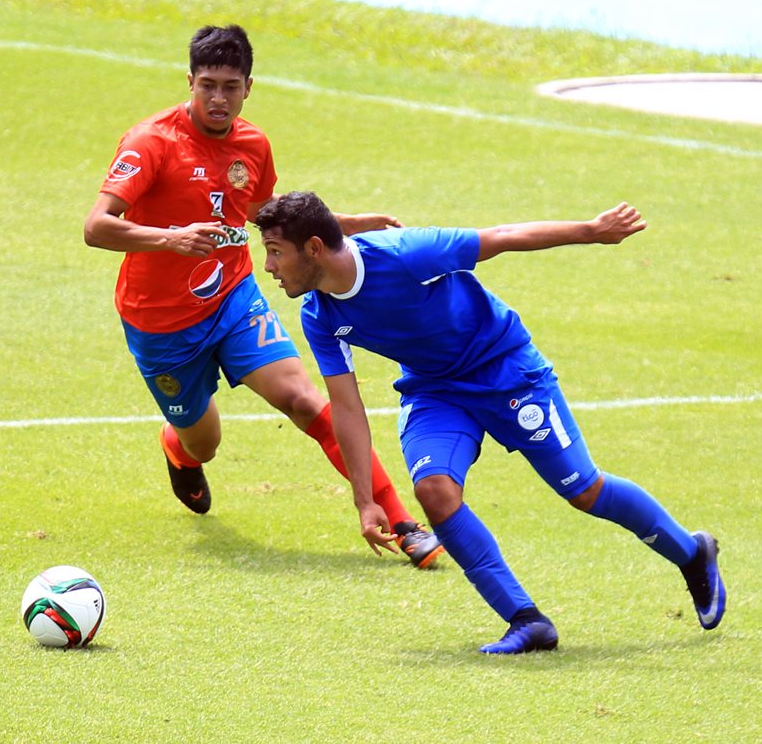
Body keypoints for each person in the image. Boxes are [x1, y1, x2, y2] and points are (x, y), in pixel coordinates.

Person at [256, 191, 727, 653]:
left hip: (506, 372)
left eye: (276, 253)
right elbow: (346, 405)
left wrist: (592, 231)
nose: (270, 267)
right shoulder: (319, 315)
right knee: (435, 491)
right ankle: (528, 621)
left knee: (583, 490)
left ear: (314, 248)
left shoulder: (405, 255)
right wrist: (365, 499)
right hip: (436, 390)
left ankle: (691, 552)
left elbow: (501, 236)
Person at [82, 25, 442, 568]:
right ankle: (179, 448)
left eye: (230, 86)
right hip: (161, 324)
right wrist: (169, 239)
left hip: (233, 298)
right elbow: (96, 226)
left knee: (302, 399)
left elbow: (265, 214)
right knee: (203, 442)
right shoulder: (150, 142)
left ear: (249, 86)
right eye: (207, 85)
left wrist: (347, 224)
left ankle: (399, 519)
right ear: (190, 81)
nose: (219, 99)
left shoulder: (253, 144)